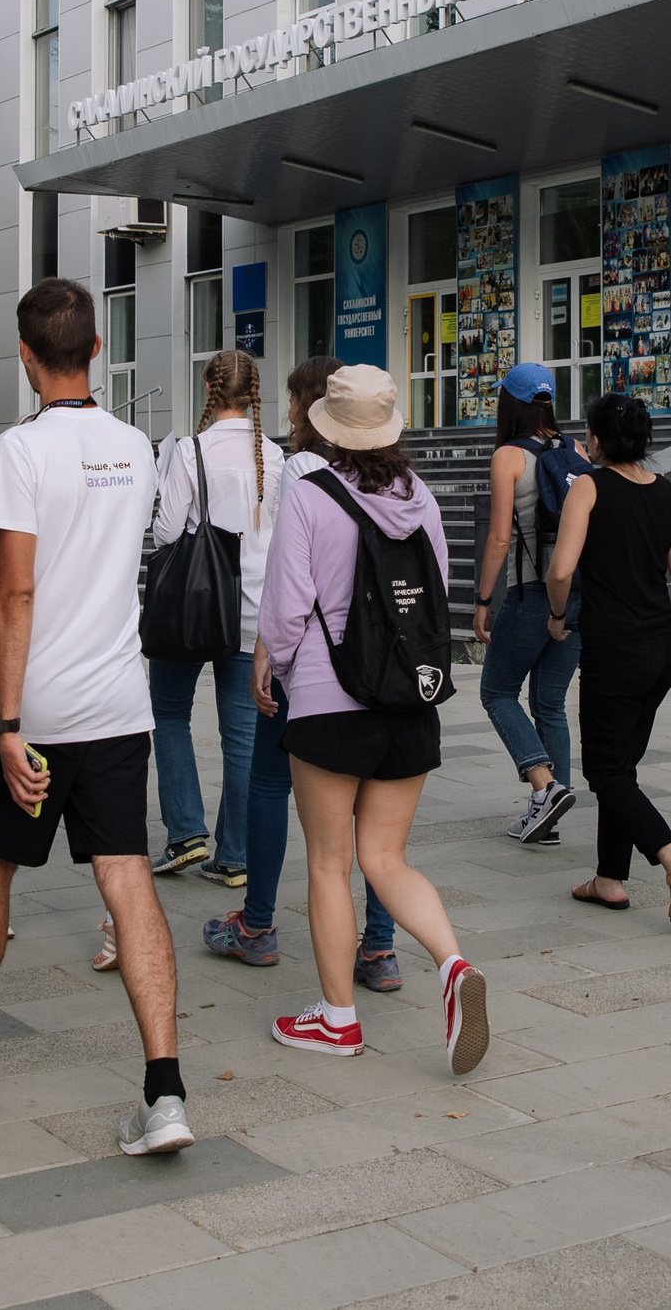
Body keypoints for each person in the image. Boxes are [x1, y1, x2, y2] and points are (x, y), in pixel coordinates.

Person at [0, 279, 193, 1154]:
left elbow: (15, 587)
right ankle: (166, 1091)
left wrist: (6, 720)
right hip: (118, 701)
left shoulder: (20, 449)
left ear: (25, 357)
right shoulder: (137, 446)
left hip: (37, 706)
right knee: (127, 876)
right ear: (97, 348)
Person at [257, 365, 488, 1072]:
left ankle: (337, 1021)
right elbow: (438, 587)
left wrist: (275, 666)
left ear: (326, 426)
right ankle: (452, 963)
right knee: (386, 858)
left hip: (330, 700)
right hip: (408, 697)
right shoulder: (419, 495)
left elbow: (287, 607)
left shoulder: (309, 495)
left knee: (329, 864)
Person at [210, 357, 404, 989]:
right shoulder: (409, 488)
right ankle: (380, 948)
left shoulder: (302, 473)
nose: (291, 411)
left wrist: (270, 655)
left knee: (271, 784)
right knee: (377, 820)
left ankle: (257, 925)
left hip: (318, 668)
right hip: (391, 668)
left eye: (297, 400)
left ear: (314, 408)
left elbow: (288, 581)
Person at [547, 392, 671, 920]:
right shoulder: (666, 491)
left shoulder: (588, 487)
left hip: (614, 648)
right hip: (663, 645)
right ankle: (609, 878)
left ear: (596, 440)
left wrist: (556, 616)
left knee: (604, 769)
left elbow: (560, 571)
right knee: (622, 764)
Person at [146, 348, 286, 885]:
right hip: (254, 614)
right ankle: (235, 856)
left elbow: (165, 532)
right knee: (244, 737)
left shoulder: (190, 451)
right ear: (254, 394)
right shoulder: (275, 455)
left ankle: (185, 832)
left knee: (169, 714)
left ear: (209, 388)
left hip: (192, 608)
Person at [470, 362, 583, 845]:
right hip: (576, 591)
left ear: (509, 403)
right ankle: (549, 810)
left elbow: (499, 539)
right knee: (550, 702)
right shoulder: (575, 448)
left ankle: (545, 785)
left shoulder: (508, 456)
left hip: (531, 591)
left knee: (497, 692)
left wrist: (483, 600)